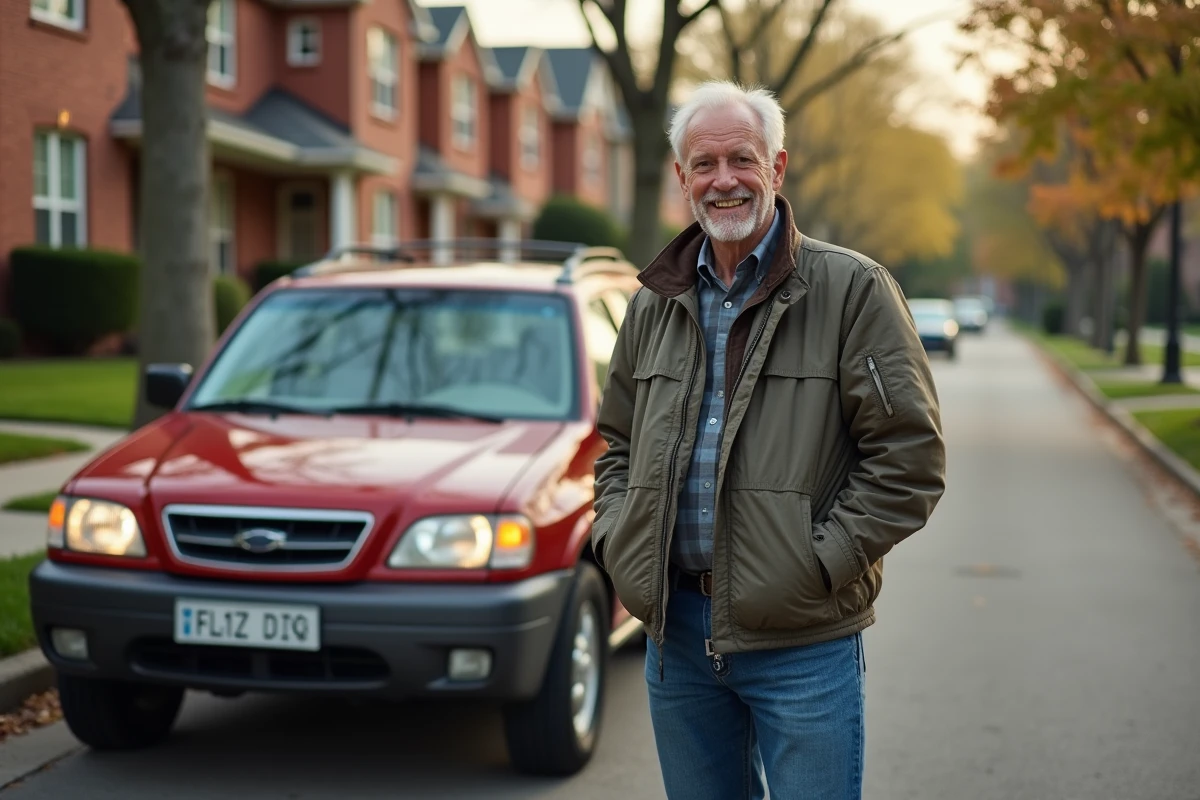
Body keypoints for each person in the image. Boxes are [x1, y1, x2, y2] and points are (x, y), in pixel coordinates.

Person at [591, 80, 946, 799]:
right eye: (705, 164)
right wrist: (621, 544)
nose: (724, 180)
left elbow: (909, 459)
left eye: (742, 160)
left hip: (803, 641)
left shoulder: (853, 291)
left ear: (777, 168)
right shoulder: (652, 305)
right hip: (677, 637)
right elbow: (617, 446)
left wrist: (815, 566)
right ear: (682, 179)